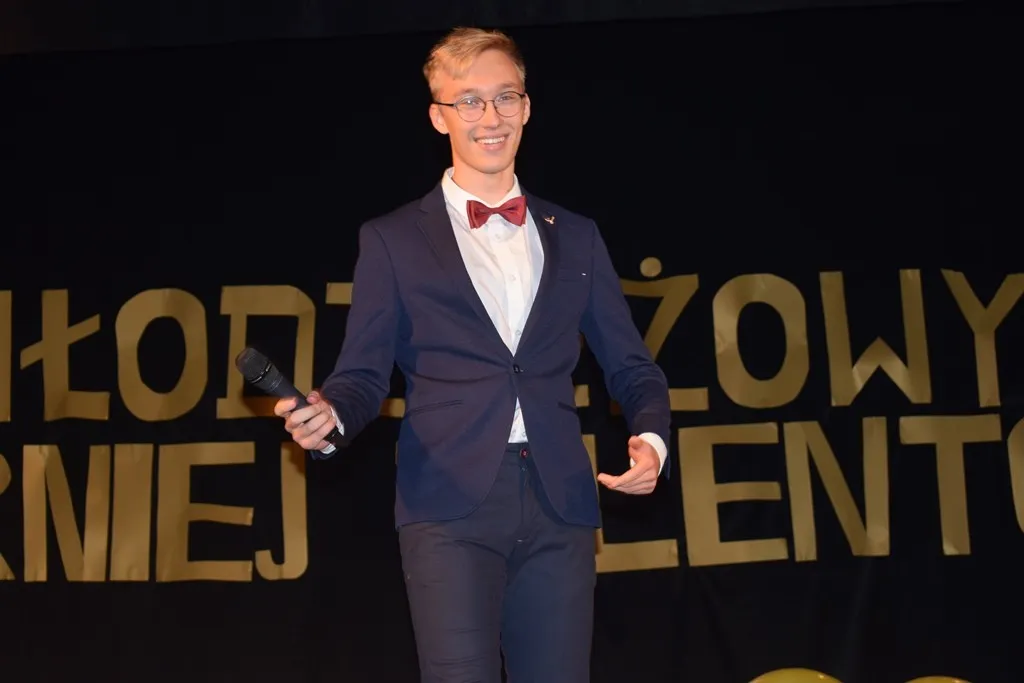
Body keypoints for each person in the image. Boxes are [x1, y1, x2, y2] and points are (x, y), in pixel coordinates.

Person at [274, 26, 671, 683]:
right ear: (440, 116)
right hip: (448, 506)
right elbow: (362, 375)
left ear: (527, 107)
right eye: (469, 101)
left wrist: (652, 442)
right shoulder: (393, 240)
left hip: (560, 503)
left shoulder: (575, 235)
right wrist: (331, 417)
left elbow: (632, 367)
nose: (491, 117)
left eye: (505, 97)